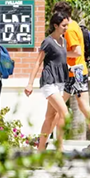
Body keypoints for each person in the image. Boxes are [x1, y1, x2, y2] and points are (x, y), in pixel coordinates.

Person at [42, 2, 90, 150]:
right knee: (80, 106)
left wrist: (57, 53)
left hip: (73, 72)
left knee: (59, 108)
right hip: (78, 71)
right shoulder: (73, 26)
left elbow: (77, 52)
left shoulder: (69, 29)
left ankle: (48, 140)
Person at [24, 12, 70, 151]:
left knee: (50, 117)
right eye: (63, 25)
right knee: (64, 113)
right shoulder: (48, 42)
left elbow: (61, 61)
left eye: (67, 25)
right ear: (55, 25)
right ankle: (60, 149)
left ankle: (40, 150)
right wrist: (30, 83)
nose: (66, 28)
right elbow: (38, 62)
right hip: (49, 82)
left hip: (60, 82)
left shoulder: (64, 41)